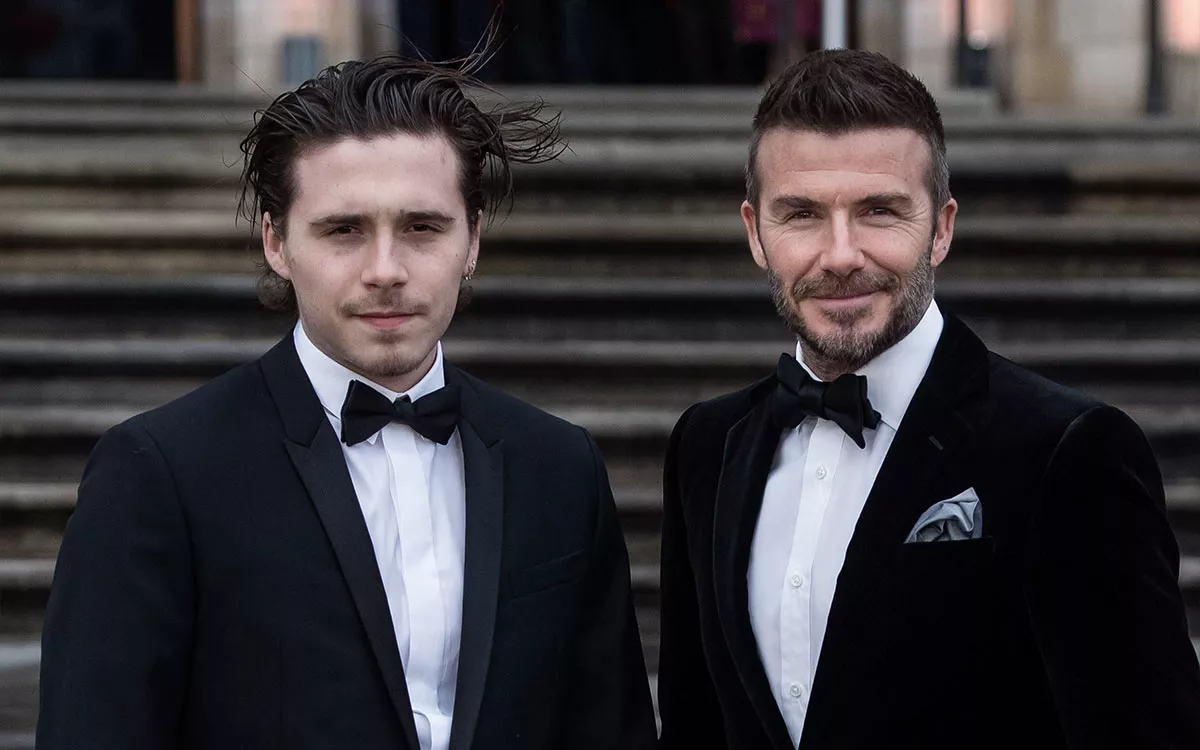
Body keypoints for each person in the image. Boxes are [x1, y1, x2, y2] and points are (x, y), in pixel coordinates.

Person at [37, 53, 656, 750]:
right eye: (344, 230)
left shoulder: (561, 466)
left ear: (473, 240)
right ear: (276, 241)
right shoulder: (158, 473)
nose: (385, 271)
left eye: (422, 227)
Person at [657, 49, 1200, 750]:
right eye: (802, 215)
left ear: (941, 228)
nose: (841, 254)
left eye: (879, 211)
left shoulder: (1069, 450)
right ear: (755, 233)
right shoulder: (707, 445)